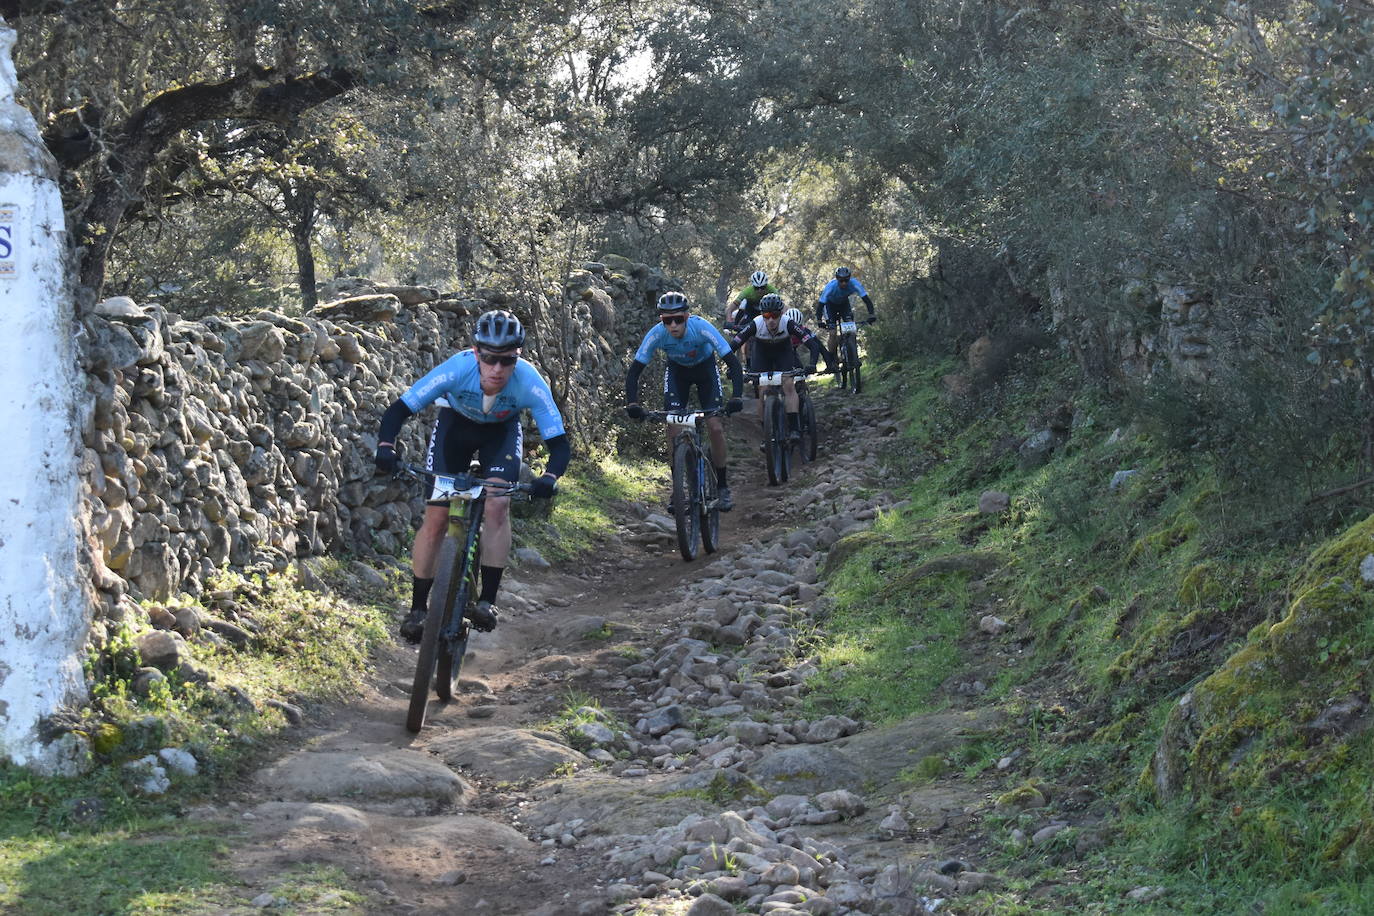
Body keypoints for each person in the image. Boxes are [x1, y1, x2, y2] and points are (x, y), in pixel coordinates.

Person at [374, 309, 569, 643]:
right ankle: (418, 608)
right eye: (490, 358)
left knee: (497, 504)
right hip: (455, 429)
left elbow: (559, 445)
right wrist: (386, 448)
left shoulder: (530, 381)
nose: (497, 369)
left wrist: (549, 477)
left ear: (517, 357)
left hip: (500, 434)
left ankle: (487, 601)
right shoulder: (457, 367)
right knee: (436, 516)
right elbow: (398, 410)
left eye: (506, 361)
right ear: (476, 352)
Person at [625, 291, 745, 511]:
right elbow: (634, 372)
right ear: (661, 320)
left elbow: (733, 364)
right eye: (666, 320)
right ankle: (678, 489)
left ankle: (723, 487)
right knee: (673, 427)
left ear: (688, 316)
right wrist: (632, 403)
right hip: (677, 373)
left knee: (715, 427)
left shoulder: (702, 328)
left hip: (705, 371)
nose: (673, 326)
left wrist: (737, 396)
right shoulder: (657, 334)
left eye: (678, 319)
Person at [730, 294, 831, 441]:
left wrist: (812, 364)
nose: (771, 320)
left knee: (789, 385)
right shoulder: (756, 323)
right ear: (762, 315)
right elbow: (734, 345)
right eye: (766, 315)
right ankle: (767, 434)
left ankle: (795, 428)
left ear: (781, 314)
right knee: (762, 389)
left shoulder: (788, 323)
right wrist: (731, 366)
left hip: (783, 352)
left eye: (775, 315)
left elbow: (813, 345)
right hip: (762, 354)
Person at [815, 266, 877, 355]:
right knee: (833, 333)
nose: (844, 283)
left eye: (846, 280)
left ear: (849, 279)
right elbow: (820, 305)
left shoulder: (855, 284)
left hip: (844, 304)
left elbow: (867, 300)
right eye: (841, 280)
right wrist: (819, 320)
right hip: (829, 306)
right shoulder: (830, 287)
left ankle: (852, 356)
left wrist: (871, 314)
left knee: (851, 330)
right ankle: (832, 360)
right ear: (837, 279)